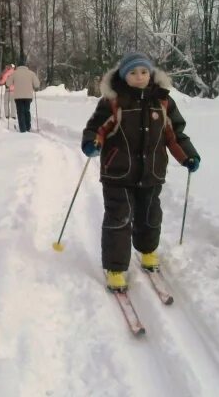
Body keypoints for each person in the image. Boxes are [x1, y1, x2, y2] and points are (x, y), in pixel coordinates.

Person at [81, 52, 201, 292]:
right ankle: (115, 268)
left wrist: (187, 155)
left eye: (144, 72)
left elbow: (175, 134)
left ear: (151, 73)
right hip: (118, 173)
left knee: (149, 215)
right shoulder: (113, 101)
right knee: (119, 218)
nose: (139, 77)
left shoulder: (163, 101)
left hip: (151, 172)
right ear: (124, 76)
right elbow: (97, 127)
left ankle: (147, 252)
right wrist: (93, 142)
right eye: (133, 73)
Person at [7, 57, 40, 132]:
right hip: (28, 96)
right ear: (26, 65)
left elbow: (8, 83)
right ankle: (28, 127)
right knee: (26, 111)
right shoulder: (31, 73)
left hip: (18, 97)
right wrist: (34, 87)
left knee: (20, 112)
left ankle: (23, 129)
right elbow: (37, 84)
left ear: (18, 65)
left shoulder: (14, 73)